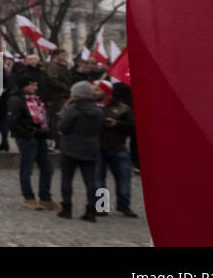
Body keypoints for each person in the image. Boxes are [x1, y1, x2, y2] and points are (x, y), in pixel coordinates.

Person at [57, 80, 104, 221]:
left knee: (67, 179)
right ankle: (91, 210)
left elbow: (63, 127)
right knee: (91, 181)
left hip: (70, 147)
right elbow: (99, 128)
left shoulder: (73, 109)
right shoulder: (98, 110)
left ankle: (67, 208)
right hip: (90, 147)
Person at [8, 75, 56, 210]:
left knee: (47, 168)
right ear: (25, 86)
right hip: (27, 138)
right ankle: (28, 197)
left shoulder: (36, 100)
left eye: (36, 85)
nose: (36, 87)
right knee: (26, 168)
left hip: (40, 137)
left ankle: (45, 197)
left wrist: (45, 131)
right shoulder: (16, 100)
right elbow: (13, 122)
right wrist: (28, 133)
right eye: (32, 85)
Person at [96, 80, 138, 217]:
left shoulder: (123, 108)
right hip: (98, 147)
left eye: (98, 89)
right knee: (99, 179)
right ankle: (102, 206)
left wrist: (117, 124)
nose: (95, 92)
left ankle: (124, 205)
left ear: (107, 92)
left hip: (117, 147)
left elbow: (133, 128)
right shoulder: (94, 106)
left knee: (123, 178)